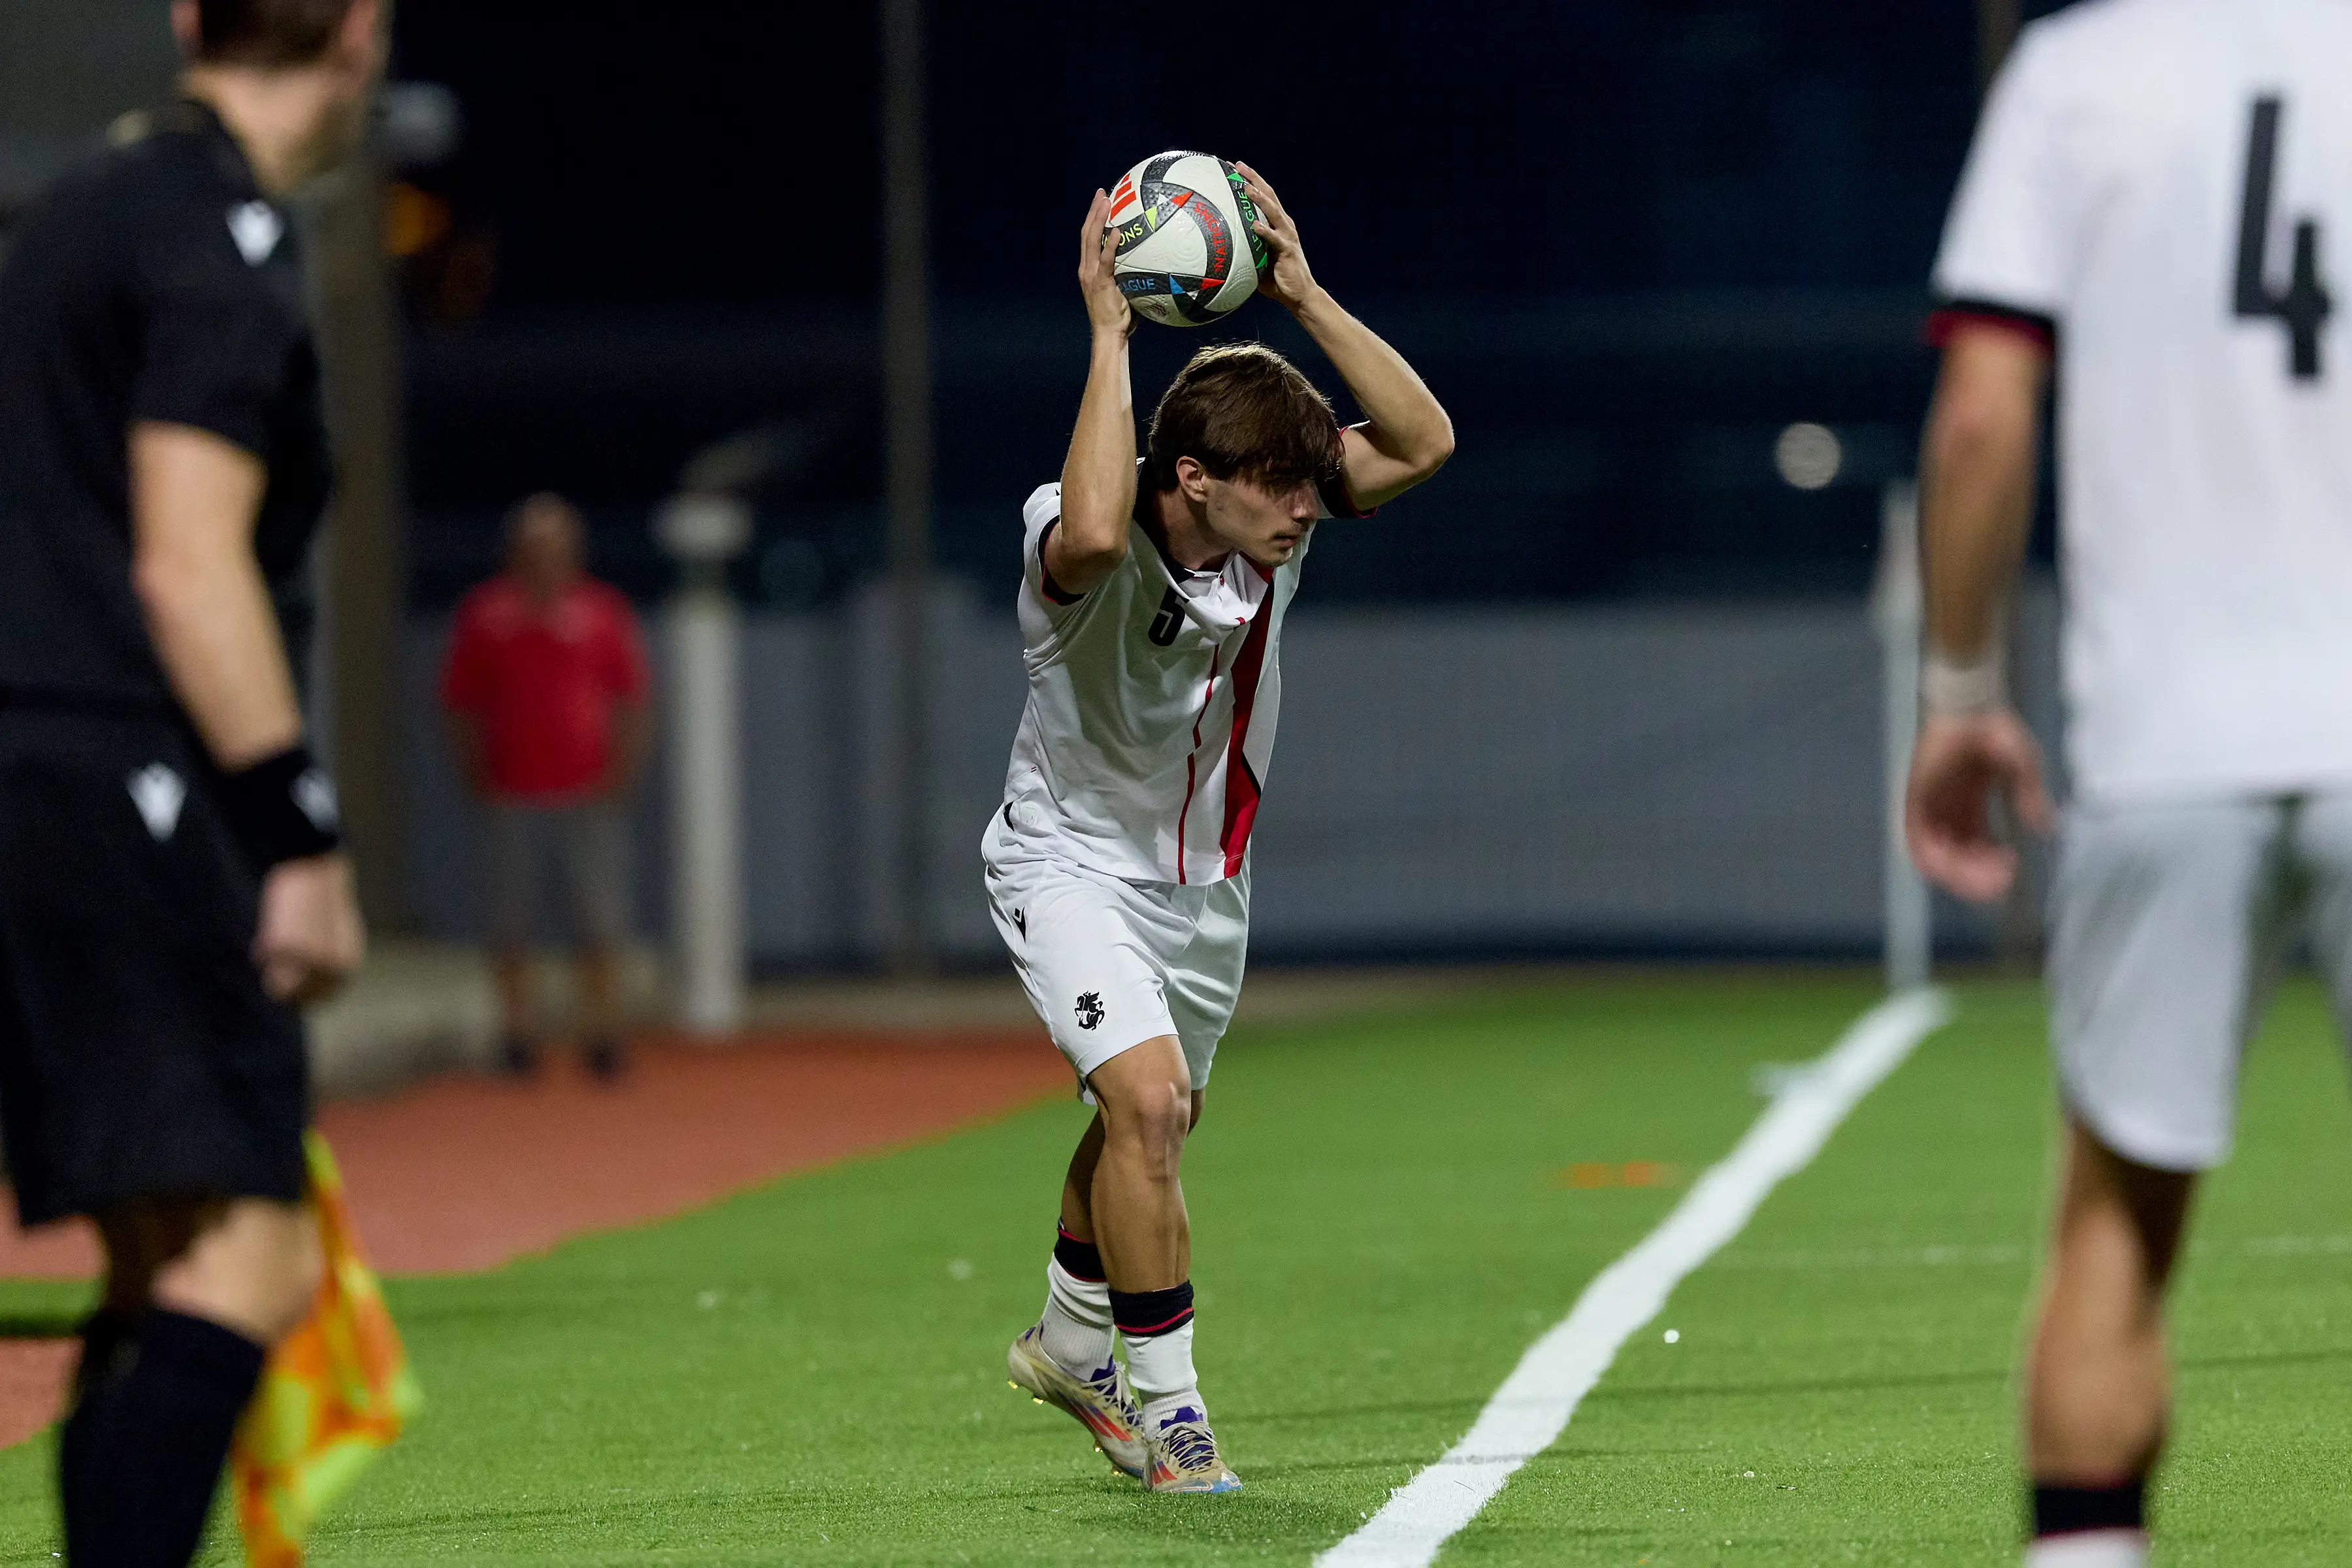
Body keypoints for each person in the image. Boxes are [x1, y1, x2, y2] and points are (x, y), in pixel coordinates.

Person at [1908, 3, 2352, 1563]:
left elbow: (1978, 418)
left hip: (2165, 736)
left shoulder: (2076, 73)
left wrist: (1961, 692)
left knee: (2115, 1219)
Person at [990, 166, 1452, 1492]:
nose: (1308, 509)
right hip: (1065, 863)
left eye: (1310, 489)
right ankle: (1173, 1416)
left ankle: (1073, 1337)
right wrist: (1108, 332)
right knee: (1143, 1104)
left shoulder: (1269, 540)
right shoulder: (1084, 537)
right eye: (1280, 488)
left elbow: (1422, 444)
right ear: (1190, 477)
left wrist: (1300, 291)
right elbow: (1088, 518)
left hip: (1206, 887)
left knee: (1157, 1120)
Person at [0, 0, 379, 1560]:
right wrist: (296, 826)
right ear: (358, 34)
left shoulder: (80, 204)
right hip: (133, 777)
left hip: (42, 771)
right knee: (253, 1262)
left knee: (158, 1265)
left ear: (184, 21)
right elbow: (187, 554)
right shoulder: (214, 233)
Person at [441, 492, 653, 1080]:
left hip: (585, 790)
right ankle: (517, 1034)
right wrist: (474, 774)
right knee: (511, 921)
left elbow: (631, 698)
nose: (546, 557)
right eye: (535, 546)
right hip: (513, 791)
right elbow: (461, 704)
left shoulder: (601, 611)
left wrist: (622, 772)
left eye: (557, 545)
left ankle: (604, 1033)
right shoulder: (486, 614)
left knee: (599, 918)